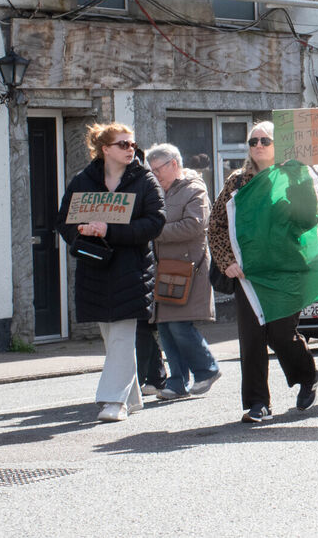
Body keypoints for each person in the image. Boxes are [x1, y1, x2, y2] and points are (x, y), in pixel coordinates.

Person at [208, 121, 318, 424]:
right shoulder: (236, 182)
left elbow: (308, 220)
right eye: (253, 141)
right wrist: (226, 260)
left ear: (278, 145)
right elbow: (216, 226)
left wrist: (300, 183)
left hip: (286, 270)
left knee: (281, 335)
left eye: (265, 141)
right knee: (251, 338)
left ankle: (307, 375)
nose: (258, 146)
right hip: (248, 275)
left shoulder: (293, 176)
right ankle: (258, 402)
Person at [56, 123, 166, 422]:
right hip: (95, 268)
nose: (130, 149)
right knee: (112, 337)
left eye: (132, 144)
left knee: (121, 334)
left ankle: (112, 401)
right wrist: (81, 230)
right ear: (105, 149)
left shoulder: (145, 180)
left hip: (131, 269)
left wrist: (111, 229)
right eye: (123, 144)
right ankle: (132, 398)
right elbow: (63, 220)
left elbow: (155, 222)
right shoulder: (84, 179)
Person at [146, 143, 221, 400]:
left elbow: (195, 225)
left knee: (179, 325)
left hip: (188, 270)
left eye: (158, 169)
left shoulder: (194, 188)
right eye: (152, 170)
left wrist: (154, 231)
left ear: (174, 165)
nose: (155, 175)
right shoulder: (156, 191)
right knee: (165, 327)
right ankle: (177, 382)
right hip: (164, 270)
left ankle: (207, 369)